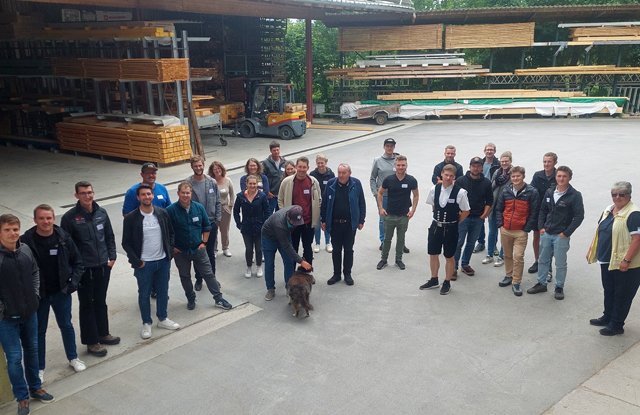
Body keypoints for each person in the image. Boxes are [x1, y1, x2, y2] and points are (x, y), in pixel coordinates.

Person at [20, 205, 85, 383]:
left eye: (48, 218)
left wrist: (71, 285)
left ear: (54, 219)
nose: (45, 221)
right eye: (41, 218)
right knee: (39, 331)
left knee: (66, 325)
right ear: (35, 220)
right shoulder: (26, 241)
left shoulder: (64, 238)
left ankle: (73, 358)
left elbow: (78, 263)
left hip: (61, 293)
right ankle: (39, 367)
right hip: (38, 296)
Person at [0, 214, 55, 415]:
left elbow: (34, 272)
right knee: (15, 359)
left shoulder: (25, 250)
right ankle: (22, 398)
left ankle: (35, 388)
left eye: (15, 229)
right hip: (7, 320)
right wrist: (3, 309)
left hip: (30, 313)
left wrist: (35, 296)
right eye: (7, 230)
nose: (12, 233)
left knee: (32, 350)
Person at [61, 181, 119, 357]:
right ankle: (91, 342)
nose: (87, 196)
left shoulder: (102, 213)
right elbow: (66, 247)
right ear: (76, 195)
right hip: (84, 270)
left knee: (100, 301)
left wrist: (112, 257)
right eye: (83, 193)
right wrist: (75, 270)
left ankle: (103, 333)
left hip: (103, 267)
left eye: (90, 192)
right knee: (87, 305)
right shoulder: (70, 218)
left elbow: (109, 236)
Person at [122, 184, 180, 340]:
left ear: (153, 195)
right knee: (144, 294)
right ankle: (146, 323)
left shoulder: (162, 213)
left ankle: (163, 318)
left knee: (163, 291)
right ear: (138, 197)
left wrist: (169, 255)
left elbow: (171, 233)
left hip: (162, 261)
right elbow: (126, 243)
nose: (146, 197)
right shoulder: (132, 218)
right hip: (144, 264)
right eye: (143, 194)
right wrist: (137, 261)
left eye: (149, 194)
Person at [166, 182, 232, 311]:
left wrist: (204, 243)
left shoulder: (199, 208)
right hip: (180, 251)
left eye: (188, 193)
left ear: (191, 194)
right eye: (183, 192)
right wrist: (172, 248)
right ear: (178, 193)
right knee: (185, 276)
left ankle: (218, 298)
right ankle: (191, 298)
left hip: (198, 249)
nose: (185, 195)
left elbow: (207, 226)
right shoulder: (170, 210)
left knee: (208, 274)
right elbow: (166, 232)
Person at [587, 182, 640, 336]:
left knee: (622, 295)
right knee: (609, 290)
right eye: (614, 194)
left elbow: (637, 240)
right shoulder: (608, 210)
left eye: (621, 194)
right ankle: (608, 317)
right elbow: (600, 230)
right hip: (607, 260)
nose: (617, 197)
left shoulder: (634, 214)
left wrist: (627, 260)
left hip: (626, 264)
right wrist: (591, 249)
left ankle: (616, 324)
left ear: (629, 195)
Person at [527, 166, 584, 300]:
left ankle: (559, 287)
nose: (561, 179)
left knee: (560, 263)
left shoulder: (575, 195)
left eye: (564, 176)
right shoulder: (550, 191)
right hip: (546, 233)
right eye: (559, 176)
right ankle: (541, 283)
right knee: (542, 260)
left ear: (570, 178)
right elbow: (543, 210)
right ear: (556, 177)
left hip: (561, 236)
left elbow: (579, 216)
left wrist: (566, 233)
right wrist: (541, 227)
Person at [420, 164, 470, 295]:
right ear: (442, 174)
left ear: (454, 177)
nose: (448, 178)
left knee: (449, 255)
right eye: (446, 175)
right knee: (433, 253)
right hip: (435, 226)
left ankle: (447, 281)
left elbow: (466, 210)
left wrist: (455, 221)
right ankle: (434, 279)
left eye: (451, 176)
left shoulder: (460, 192)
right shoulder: (434, 189)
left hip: (451, 228)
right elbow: (433, 205)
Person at [495, 166, 540, 297]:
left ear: (523, 176)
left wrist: (526, 228)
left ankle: (516, 282)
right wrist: (500, 225)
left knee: (518, 257)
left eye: (518, 176)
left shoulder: (532, 192)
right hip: (505, 229)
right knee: (507, 255)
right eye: (513, 176)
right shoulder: (506, 190)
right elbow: (499, 208)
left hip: (520, 231)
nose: (515, 178)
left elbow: (534, 212)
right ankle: (508, 275)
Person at [321, 163, 366, 286]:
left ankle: (347, 274)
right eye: (339, 172)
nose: (341, 175)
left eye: (344, 173)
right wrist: (324, 220)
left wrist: (361, 220)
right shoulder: (331, 183)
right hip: (335, 224)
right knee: (336, 250)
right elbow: (324, 203)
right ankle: (336, 274)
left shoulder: (356, 184)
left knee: (348, 250)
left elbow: (361, 202)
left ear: (349, 173)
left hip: (350, 224)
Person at [185, 155, 222, 293]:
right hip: (195, 225)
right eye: (196, 166)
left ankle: (212, 278)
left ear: (203, 165)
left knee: (210, 252)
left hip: (211, 223)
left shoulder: (211, 182)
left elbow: (218, 202)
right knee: (198, 252)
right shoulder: (187, 183)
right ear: (192, 167)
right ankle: (199, 279)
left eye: (200, 165)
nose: (198, 168)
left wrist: (217, 220)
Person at [376, 155, 419, 271]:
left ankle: (398, 260)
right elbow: (380, 193)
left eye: (403, 165)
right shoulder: (389, 180)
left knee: (401, 239)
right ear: (395, 166)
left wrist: (413, 210)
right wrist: (381, 208)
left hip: (403, 216)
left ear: (406, 166)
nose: (401, 167)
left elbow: (416, 195)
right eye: (398, 165)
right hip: (389, 215)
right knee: (387, 239)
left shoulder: (411, 180)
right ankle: (383, 259)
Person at [261, 205, 312, 301]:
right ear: (288, 217)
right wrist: (301, 261)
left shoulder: (298, 210)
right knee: (269, 264)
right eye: (294, 222)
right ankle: (270, 288)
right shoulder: (279, 224)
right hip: (269, 238)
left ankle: (290, 287)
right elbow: (286, 246)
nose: (296, 224)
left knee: (289, 262)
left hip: (285, 235)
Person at [453, 157, 493, 279]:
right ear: (469, 167)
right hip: (463, 218)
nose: (476, 168)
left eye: (478, 166)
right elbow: (455, 198)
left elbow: (489, 200)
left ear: (482, 167)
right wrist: (459, 213)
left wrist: (484, 215)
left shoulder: (486, 182)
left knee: (471, 243)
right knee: (458, 243)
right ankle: (453, 267)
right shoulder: (461, 181)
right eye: (474, 166)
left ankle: (465, 264)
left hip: (477, 219)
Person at [278, 156, 322, 266]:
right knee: (293, 248)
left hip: (308, 222)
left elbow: (319, 200)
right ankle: (292, 272)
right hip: (292, 223)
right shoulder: (287, 182)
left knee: (307, 247)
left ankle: (307, 271)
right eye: (300, 167)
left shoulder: (313, 182)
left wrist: (316, 215)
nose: (302, 169)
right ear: (296, 166)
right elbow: (280, 199)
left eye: (304, 167)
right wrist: (285, 215)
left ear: (308, 168)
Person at [370, 138, 409, 253]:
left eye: (391, 146)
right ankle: (383, 241)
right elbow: (372, 178)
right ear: (384, 147)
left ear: (394, 147)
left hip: (397, 196)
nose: (389, 148)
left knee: (401, 219)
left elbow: (404, 176)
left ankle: (401, 242)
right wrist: (375, 192)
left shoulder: (398, 161)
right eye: (387, 146)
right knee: (383, 219)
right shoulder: (377, 161)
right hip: (383, 195)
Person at [528, 152, 559, 279]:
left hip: (552, 212)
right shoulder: (538, 175)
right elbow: (531, 190)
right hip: (538, 211)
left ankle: (548, 266)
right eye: (544, 161)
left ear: (555, 163)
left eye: (549, 161)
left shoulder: (558, 176)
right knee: (536, 237)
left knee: (549, 240)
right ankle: (537, 261)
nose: (546, 164)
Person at [234, 175, 269, 278]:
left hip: (259, 227)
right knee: (249, 249)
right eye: (250, 183)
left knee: (259, 249)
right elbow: (236, 211)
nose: (252, 185)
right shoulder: (240, 196)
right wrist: (239, 224)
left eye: (254, 183)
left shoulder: (262, 196)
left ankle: (259, 266)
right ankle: (249, 267)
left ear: (257, 184)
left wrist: (264, 224)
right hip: (246, 227)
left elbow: (267, 211)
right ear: (246, 184)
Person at [482, 151, 513, 268]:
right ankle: (489, 254)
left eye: (506, 161)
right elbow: (491, 187)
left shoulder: (513, 174)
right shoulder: (497, 172)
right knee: (492, 232)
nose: (504, 163)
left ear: (510, 161)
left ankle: (502, 256)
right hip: (494, 206)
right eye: (502, 161)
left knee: (504, 233)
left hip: (506, 208)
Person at [474, 142, 500, 253]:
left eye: (491, 150)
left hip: (493, 195)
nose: (489, 151)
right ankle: (481, 242)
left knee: (493, 222)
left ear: (495, 151)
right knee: (480, 220)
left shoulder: (498, 164)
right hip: (480, 195)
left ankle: (493, 245)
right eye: (488, 149)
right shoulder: (480, 163)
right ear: (484, 151)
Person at [309, 154, 335, 253]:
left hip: (327, 203)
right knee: (317, 225)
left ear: (326, 163)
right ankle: (317, 243)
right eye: (318, 163)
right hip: (316, 203)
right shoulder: (312, 174)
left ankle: (328, 243)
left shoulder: (331, 174)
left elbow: (333, 189)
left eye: (322, 163)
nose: (320, 165)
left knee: (327, 222)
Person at [209, 161, 234, 260]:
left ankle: (225, 248)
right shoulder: (210, 181)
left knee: (224, 230)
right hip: (213, 209)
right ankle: (214, 249)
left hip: (224, 208)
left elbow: (232, 194)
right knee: (213, 230)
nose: (217, 170)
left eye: (219, 168)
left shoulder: (227, 180)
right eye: (215, 169)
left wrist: (230, 205)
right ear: (212, 171)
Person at [262, 140, 287, 214]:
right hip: (271, 195)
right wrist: (267, 192)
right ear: (270, 151)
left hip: (281, 195)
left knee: (280, 215)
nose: (276, 152)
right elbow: (262, 179)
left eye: (277, 150)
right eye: (274, 150)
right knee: (268, 214)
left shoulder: (285, 162)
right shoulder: (265, 163)